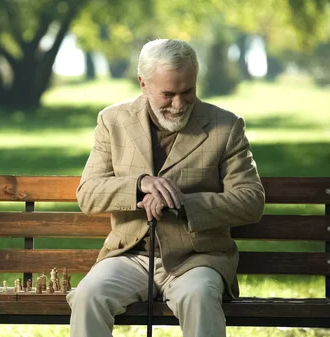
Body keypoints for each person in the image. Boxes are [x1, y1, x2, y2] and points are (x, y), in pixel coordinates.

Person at [67, 39, 265, 337]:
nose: (179, 104)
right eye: (168, 94)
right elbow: (89, 193)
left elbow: (250, 201)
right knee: (88, 295)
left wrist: (182, 203)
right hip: (130, 256)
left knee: (198, 296)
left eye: (188, 92)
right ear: (143, 83)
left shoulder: (225, 126)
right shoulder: (113, 121)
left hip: (198, 258)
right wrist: (138, 186)